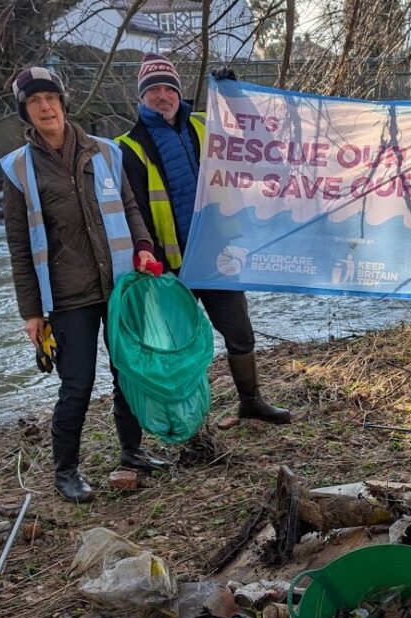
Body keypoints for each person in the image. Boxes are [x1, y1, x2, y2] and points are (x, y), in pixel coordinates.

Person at [1, 67, 166, 503]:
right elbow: (19, 246)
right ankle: (66, 470)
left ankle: (131, 451)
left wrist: (144, 246)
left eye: (50, 97)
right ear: (26, 111)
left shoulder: (106, 152)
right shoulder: (19, 169)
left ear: (63, 102)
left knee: (127, 371)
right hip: (67, 296)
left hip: (118, 285)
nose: (44, 106)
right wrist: (31, 313)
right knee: (77, 385)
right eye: (35, 101)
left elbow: (130, 206)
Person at [117, 55, 290, 425]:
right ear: (142, 97)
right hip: (167, 265)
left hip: (217, 255)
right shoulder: (127, 147)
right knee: (177, 346)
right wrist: (146, 257)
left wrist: (236, 97)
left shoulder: (206, 127)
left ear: (179, 93)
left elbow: (262, 149)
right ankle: (190, 421)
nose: (162, 95)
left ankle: (250, 401)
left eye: (168, 88)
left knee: (240, 332)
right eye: (153, 90)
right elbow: (131, 211)